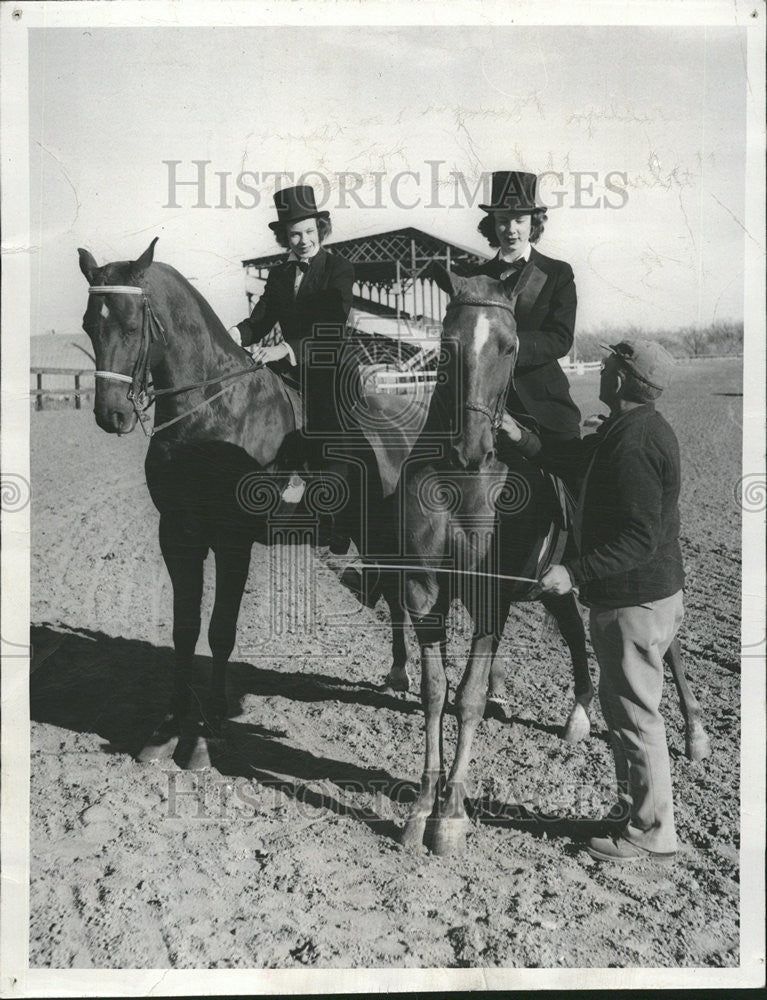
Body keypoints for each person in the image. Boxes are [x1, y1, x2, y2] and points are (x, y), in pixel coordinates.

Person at [499, 339, 684, 864]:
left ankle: (651, 835)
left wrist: (571, 571)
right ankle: (636, 816)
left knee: (636, 717)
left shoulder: (636, 443)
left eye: (609, 365)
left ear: (623, 380)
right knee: (627, 713)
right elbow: (576, 459)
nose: (601, 368)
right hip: (639, 597)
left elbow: (638, 538)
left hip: (635, 601)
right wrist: (526, 439)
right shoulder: (624, 430)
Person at [230, 184, 355, 550]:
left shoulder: (339, 269)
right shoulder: (281, 276)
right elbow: (261, 320)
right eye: (295, 234)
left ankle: (337, 517)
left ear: (320, 230)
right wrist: (234, 332)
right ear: (285, 237)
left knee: (330, 428)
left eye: (309, 232)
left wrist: (284, 349)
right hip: (290, 369)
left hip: (329, 365)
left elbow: (332, 325)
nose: (303, 241)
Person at [464, 170, 581, 442]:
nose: (511, 229)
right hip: (485, 405)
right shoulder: (475, 279)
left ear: (533, 223)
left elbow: (561, 338)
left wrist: (512, 344)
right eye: (503, 220)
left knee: (575, 474)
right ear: (492, 224)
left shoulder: (557, 273)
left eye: (519, 220)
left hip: (544, 405)